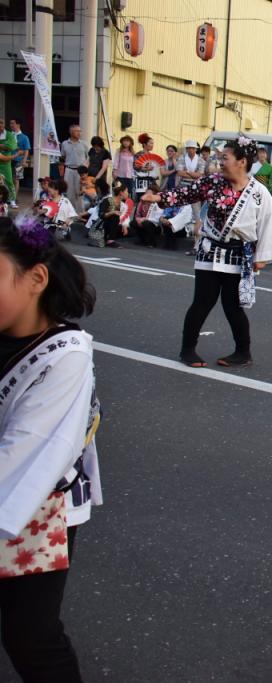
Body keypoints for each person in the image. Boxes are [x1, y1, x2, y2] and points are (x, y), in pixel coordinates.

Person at [0, 214, 100, 681]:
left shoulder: (65, 356)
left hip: (41, 508)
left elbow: (27, 453)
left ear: (37, 278)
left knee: (30, 635)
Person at [142, 136, 272, 368]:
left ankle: (243, 351)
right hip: (210, 248)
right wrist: (158, 197)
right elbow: (186, 194)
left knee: (233, 305)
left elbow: (268, 223)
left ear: (241, 161)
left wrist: (263, 257)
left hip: (238, 253)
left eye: (225, 157)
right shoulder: (213, 181)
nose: (220, 161)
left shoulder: (259, 192)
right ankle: (187, 349)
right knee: (202, 301)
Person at [175, 140, 207, 239]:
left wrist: (187, 172)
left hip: (195, 188)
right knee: (180, 209)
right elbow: (180, 172)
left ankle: (196, 234)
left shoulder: (201, 160)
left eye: (193, 148)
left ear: (195, 149)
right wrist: (193, 174)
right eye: (189, 148)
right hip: (183, 186)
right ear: (186, 149)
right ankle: (179, 231)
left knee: (196, 211)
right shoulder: (181, 158)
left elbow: (200, 174)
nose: (191, 150)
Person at [59, 125, 89, 213]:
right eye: (77, 131)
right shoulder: (64, 144)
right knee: (69, 192)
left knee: (79, 193)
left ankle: (80, 213)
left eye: (80, 131)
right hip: (68, 169)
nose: (79, 133)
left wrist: (85, 170)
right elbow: (62, 157)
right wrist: (61, 173)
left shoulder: (84, 144)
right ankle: (70, 212)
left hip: (80, 171)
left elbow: (88, 158)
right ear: (71, 132)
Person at [98, 183, 131, 248]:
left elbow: (125, 217)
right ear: (121, 192)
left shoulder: (123, 205)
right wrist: (112, 212)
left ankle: (108, 237)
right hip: (102, 225)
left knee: (130, 229)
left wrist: (124, 226)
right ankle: (110, 241)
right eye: (126, 191)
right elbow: (101, 215)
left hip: (112, 225)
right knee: (115, 216)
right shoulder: (107, 200)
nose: (128, 193)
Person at [132, 133, 161, 200]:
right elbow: (135, 166)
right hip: (141, 181)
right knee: (142, 198)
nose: (152, 145)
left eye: (153, 143)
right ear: (144, 144)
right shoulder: (138, 155)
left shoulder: (151, 155)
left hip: (151, 181)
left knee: (152, 198)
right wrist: (144, 168)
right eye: (150, 143)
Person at [9, 119, 30, 207]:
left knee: (16, 180)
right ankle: (6, 197)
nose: (11, 125)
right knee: (6, 179)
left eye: (13, 123)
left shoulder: (24, 137)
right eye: (10, 123)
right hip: (8, 160)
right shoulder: (8, 135)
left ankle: (13, 198)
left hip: (19, 161)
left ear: (18, 125)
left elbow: (26, 150)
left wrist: (24, 161)